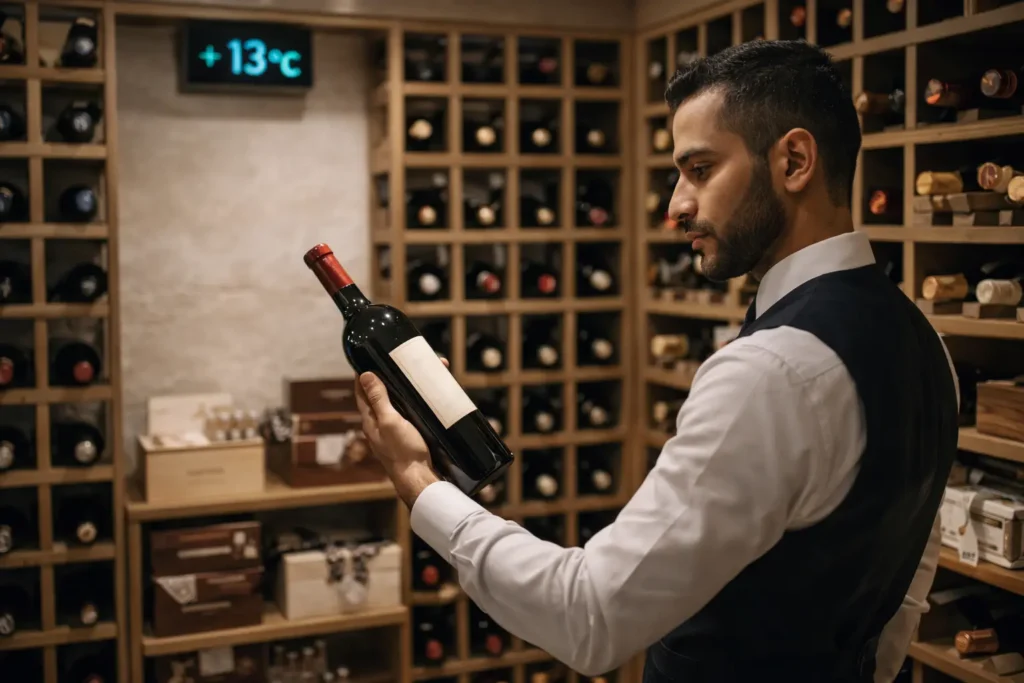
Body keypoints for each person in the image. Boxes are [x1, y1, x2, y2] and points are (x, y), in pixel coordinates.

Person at [354, 40, 960, 682]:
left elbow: (586, 615)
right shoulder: (924, 341)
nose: (675, 205)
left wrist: (420, 481)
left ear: (795, 160)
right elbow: (908, 585)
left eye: (699, 169)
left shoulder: (771, 372)